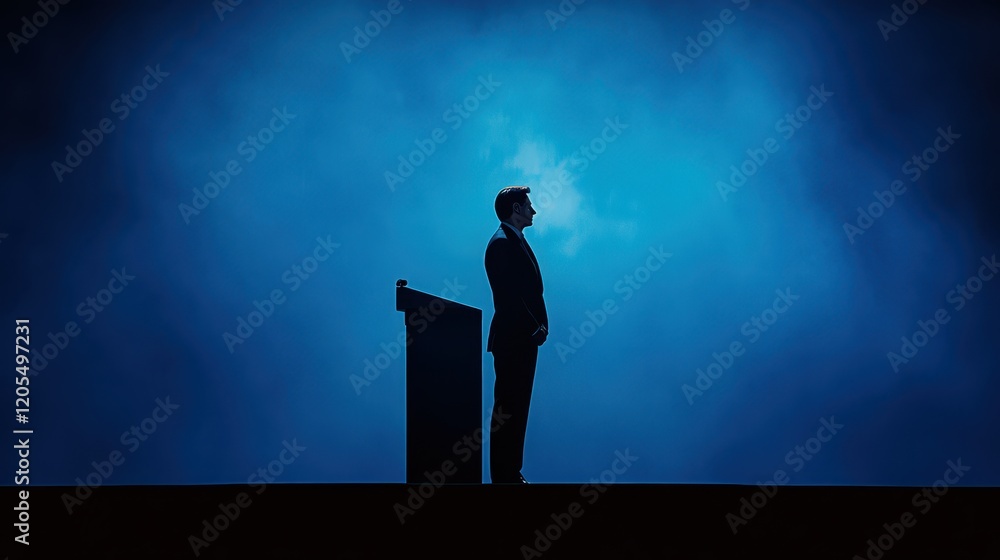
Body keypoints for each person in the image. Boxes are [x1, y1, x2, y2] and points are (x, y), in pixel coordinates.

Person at [485, 186, 548, 484]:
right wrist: (534, 326)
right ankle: (504, 476)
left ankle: (510, 472)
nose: (533, 210)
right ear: (515, 208)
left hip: (522, 340)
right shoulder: (501, 244)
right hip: (513, 340)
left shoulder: (513, 241)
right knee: (508, 407)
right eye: (528, 205)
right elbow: (510, 295)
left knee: (517, 405)